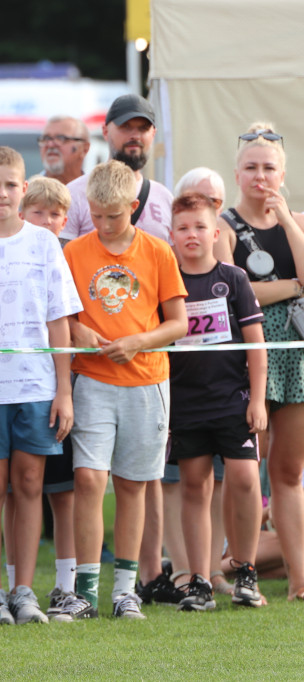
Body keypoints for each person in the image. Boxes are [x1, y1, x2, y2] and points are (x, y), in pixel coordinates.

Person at [0, 147, 81, 624]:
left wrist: (63, 391)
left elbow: (59, 322)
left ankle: (24, 591)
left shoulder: (45, 244)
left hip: (36, 386)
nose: (2, 193)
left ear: (23, 189)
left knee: (31, 485)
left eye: (11, 184)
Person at [57, 160, 188, 621]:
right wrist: (79, 332)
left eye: (113, 216)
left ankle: (125, 591)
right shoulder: (74, 252)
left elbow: (178, 322)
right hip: (92, 380)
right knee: (89, 478)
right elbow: (62, 317)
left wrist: (138, 341)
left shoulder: (158, 251)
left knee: (133, 485)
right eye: (95, 215)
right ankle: (86, 591)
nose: (104, 225)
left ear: (133, 207)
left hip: (148, 382)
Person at [167, 193, 267, 611]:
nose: (192, 235)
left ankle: (244, 571)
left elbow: (257, 346)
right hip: (186, 404)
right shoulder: (166, 279)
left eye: (200, 227)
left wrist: (258, 400)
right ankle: (200, 580)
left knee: (244, 479)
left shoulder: (235, 278)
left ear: (216, 233)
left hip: (234, 400)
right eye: (184, 228)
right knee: (194, 485)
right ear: (171, 235)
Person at [221, 123, 304, 601]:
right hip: (248, 358)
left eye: (269, 168)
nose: (260, 177)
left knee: (289, 473)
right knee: (245, 469)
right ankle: (235, 565)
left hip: (293, 360)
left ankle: (298, 579)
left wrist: (288, 220)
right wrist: (294, 287)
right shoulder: (225, 226)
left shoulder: (296, 221)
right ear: (237, 172)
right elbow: (238, 292)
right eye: (251, 168)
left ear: (283, 172)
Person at [18, 175, 81, 616]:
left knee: (65, 491)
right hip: (20, 385)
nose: (47, 220)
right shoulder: (10, 252)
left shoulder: (68, 256)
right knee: (15, 489)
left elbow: (72, 323)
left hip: (67, 388)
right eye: (38, 212)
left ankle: (66, 585)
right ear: (22, 213)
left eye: (56, 214)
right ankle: (11, 586)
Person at [60, 95, 173, 243]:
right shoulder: (74, 194)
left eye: (143, 128)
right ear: (105, 131)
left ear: (153, 134)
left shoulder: (165, 198)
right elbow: (63, 261)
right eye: (125, 127)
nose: (135, 136)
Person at [39, 116, 90, 186]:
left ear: (84, 149)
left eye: (60, 138)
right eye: (46, 138)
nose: (50, 144)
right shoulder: (26, 193)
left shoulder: (95, 193)